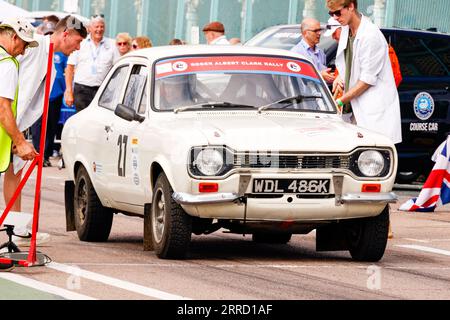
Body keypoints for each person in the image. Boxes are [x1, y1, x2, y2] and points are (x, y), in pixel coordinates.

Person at [3, 16, 87, 246]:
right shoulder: (35, 45)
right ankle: (16, 229)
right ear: (65, 34)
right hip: (7, 118)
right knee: (12, 170)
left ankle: (17, 229)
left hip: (16, 122)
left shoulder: (48, 55)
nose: (78, 48)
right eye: (78, 41)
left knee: (14, 170)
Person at [327, 0, 402, 145]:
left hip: (372, 113)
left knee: (372, 162)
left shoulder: (371, 35)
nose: (335, 17)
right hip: (353, 111)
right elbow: (345, 63)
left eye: (337, 12)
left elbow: (367, 81)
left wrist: (340, 101)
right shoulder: (346, 30)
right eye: (331, 14)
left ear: (351, 7)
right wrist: (339, 77)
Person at [64, 16, 119, 113]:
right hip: (82, 90)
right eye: (96, 27)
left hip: (104, 91)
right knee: (83, 120)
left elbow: (118, 68)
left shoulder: (111, 44)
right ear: (90, 28)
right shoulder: (81, 42)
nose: (99, 29)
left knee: (100, 121)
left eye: (102, 27)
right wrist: (68, 91)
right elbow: (69, 68)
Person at [291, 18, 335, 83]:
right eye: (315, 31)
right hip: (304, 93)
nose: (319, 33)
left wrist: (329, 77)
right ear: (305, 33)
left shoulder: (320, 52)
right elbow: (297, 79)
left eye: (320, 30)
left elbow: (324, 75)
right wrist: (320, 75)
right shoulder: (296, 53)